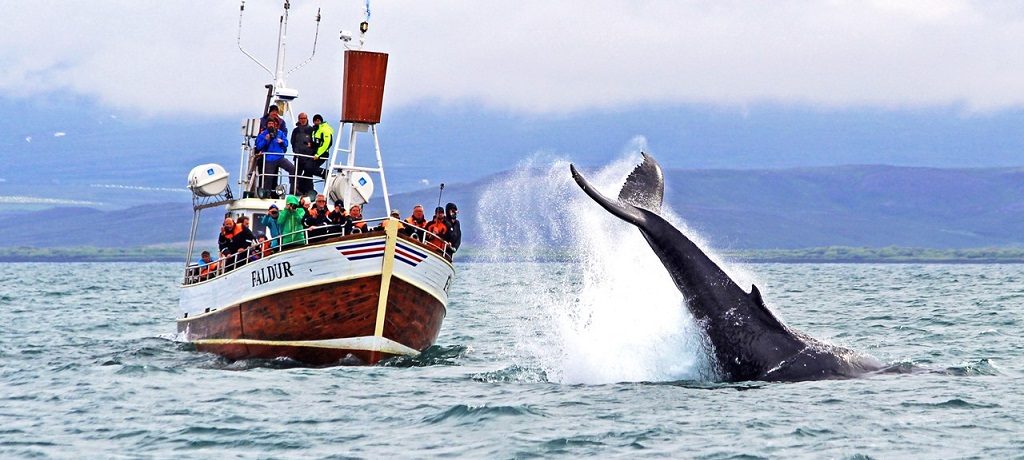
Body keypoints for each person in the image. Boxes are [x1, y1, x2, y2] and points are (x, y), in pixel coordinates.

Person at [254, 118, 294, 196]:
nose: (271, 125)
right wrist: (266, 140)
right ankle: (266, 193)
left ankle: (293, 189)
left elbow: (286, 143)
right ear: (266, 125)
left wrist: (282, 141)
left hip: (280, 157)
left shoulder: (280, 133)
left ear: (275, 125)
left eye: (272, 123)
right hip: (269, 158)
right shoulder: (262, 135)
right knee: (268, 177)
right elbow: (258, 146)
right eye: (269, 124)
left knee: (292, 169)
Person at [291, 112, 318, 197]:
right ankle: (295, 191)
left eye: (304, 118)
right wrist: (295, 151)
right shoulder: (296, 130)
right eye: (301, 118)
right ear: (298, 119)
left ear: (307, 119)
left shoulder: (311, 130)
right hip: (298, 157)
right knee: (296, 175)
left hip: (308, 157)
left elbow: (314, 143)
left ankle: (309, 193)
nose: (302, 120)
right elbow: (293, 142)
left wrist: (311, 152)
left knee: (308, 175)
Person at [311, 114, 334, 178]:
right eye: (315, 120)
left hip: (322, 153)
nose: (317, 121)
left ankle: (327, 173)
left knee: (310, 167)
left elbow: (327, 143)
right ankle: (306, 187)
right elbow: (315, 142)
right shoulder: (314, 130)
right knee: (307, 168)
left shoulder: (325, 129)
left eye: (318, 120)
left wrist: (318, 154)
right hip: (314, 153)